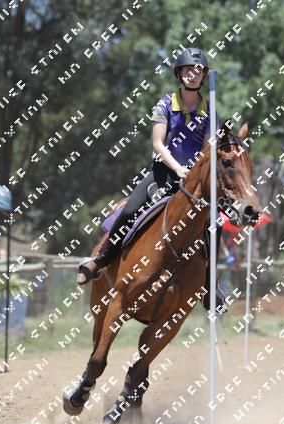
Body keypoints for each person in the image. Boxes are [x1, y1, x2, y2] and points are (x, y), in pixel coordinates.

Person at [76, 47, 226, 312]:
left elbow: (207, 148)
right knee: (129, 210)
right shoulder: (165, 104)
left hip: (193, 183)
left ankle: (210, 285)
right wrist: (178, 168)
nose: (193, 75)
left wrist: (198, 169)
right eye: (188, 70)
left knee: (215, 223)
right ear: (179, 73)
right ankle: (101, 259)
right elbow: (158, 144)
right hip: (163, 174)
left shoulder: (209, 111)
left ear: (204, 76)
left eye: (198, 71)